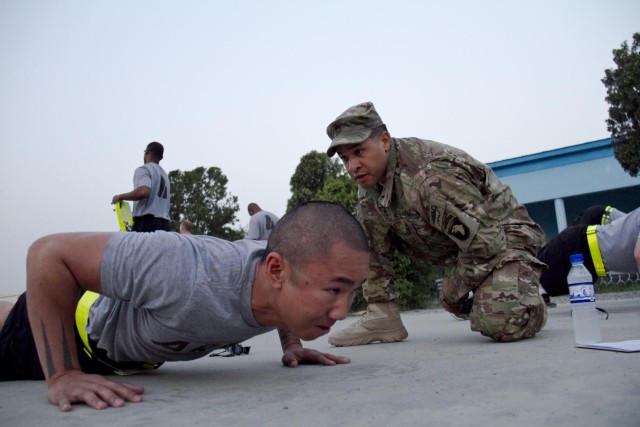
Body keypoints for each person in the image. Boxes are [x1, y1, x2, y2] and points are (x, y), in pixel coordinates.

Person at [0, 202, 369, 412]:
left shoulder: (277, 280)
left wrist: (292, 344)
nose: (341, 311)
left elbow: (283, 295)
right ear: (275, 269)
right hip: (66, 334)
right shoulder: (185, 268)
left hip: (130, 356)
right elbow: (48, 255)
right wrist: (63, 374)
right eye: (333, 290)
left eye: (352, 292)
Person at [325, 101, 548, 346]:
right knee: (363, 220)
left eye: (359, 152)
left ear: (385, 141)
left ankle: (528, 291)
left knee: (500, 321)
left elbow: (488, 242)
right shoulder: (371, 184)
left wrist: (453, 289)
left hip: (506, 240)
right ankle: (382, 314)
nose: (352, 166)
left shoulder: (430, 179)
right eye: (345, 159)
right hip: (466, 248)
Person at [537, 205, 639, 296]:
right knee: (534, 268)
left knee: (543, 280)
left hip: (591, 258)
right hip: (581, 242)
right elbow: (638, 255)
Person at [112, 142, 171, 232]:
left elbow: (143, 192)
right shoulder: (164, 175)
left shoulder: (144, 169)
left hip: (147, 223)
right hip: (165, 224)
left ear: (147, 152)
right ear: (161, 157)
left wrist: (120, 197)